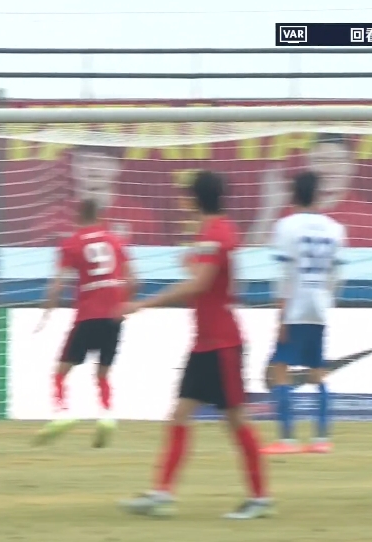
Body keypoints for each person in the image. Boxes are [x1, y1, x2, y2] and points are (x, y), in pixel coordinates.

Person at [119, 170, 272, 520]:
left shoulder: (217, 232)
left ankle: (260, 498)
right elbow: (210, 279)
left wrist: (144, 303)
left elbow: (200, 285)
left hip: (223, 345)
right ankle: (162, 494)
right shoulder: (211, 232)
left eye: (185, 195)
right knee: (179, 414)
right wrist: (192, 262)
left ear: (194, 198)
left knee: (236, 420)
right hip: (205, 344)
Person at [33, 198, 134, 448]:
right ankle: (107, 415)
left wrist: (47, 310)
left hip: (88, 315)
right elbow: (134, 280)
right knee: (102, 373)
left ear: (78, 217)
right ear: (100, 216)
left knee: (60, 372)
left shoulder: (72, 244)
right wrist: (124, 303)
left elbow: (58, 283)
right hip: (114, 314)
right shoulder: (116, 241)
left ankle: (62, 411)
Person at [261, 171, 345, 455]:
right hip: (319, 307)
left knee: (279, 368)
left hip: (295, 306)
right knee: (318, 371)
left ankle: (287, 439)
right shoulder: (335, 228)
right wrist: (327, 300)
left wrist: (280, 315)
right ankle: (321, 439)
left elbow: (284, 275)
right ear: (318, 195)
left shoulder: (286, 226)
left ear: (294, 195)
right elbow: (337, 274)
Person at [248, 133, 372, 247]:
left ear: (352, 166)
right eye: (320, 160)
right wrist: (270, 207)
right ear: (307, 165)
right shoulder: (289, 211)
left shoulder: (365, 217)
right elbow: (254, 258)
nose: (329, 169)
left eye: (338, 161)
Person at [69, 145, 162, 245]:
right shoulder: (59, 216)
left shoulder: (140, 216)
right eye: (83, 160)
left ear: (119, 166)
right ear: (72, 165)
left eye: (102, 160)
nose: (92, 168)